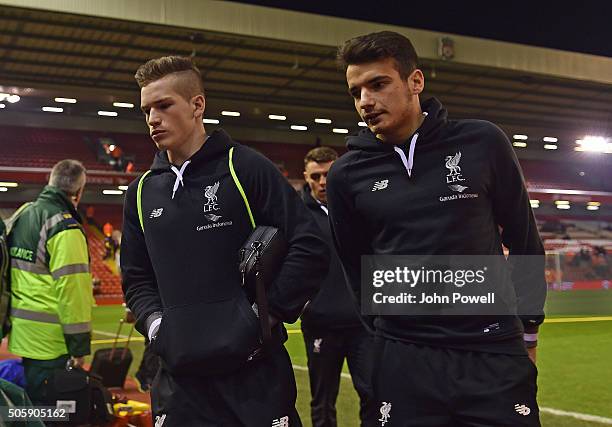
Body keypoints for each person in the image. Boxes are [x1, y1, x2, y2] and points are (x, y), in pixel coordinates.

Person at [327, 31, 547, 426]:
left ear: (415, 81)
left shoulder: (482, 142)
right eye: (355, 91)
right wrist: (389, 335)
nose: (366, 102)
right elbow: (357, 269)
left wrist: (528, 331)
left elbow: (523, 240)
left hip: (491, 350)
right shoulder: (346, 174)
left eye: (378, 84)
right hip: (404, 358)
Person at [121, 55, 329, 426]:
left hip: (254, 378)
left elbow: (309, 243)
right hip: (179, 383)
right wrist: (156, 326)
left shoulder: (244, 167)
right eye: (146, 110)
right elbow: (136, 277)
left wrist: (264, 317)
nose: (153, 119)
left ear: (197, 105)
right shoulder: (140, 192)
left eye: (164, 105)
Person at [300, 146, 376, 427]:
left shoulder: (360, 209)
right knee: (322, 402)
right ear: (305, 177)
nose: (322, 183)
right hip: (321, 326)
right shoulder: (296, 216)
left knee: (373, 394)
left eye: (328, 175)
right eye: (316, 176)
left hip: (363, 325)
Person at [7, 159, 93, 405]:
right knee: (55, 414)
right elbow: (72, 292)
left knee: (33, 409)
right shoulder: (65, 227)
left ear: (50, 181)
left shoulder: (23, 213)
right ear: (78, 192)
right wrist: (78, 348)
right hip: (53, 343)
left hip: (24, 335)